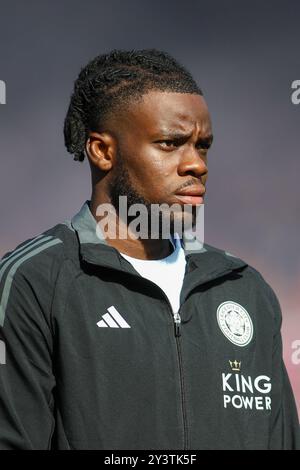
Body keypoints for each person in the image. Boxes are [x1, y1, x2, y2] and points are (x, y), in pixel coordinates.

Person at [0, 49, 299, 450]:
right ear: (102, 151)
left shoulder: (244, 289)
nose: (197, 164)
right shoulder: (35, 283)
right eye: (170, 143)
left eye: (202, 145)